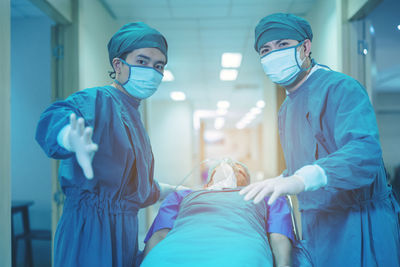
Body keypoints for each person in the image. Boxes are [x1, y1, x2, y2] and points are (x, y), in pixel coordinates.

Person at [239, 13, 400, 266]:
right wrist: (283, 179)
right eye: (265, 50)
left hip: (360, 225)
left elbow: (364, 154)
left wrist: (301, 179)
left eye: (282, 45)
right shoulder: (286, 109)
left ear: (305, 48)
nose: (273, 54)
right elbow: (305, 163)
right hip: (319, 229)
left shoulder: (341, 88)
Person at [35, 22, 182, 267]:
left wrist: (174, 190)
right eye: (142, 61)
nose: (152, 71)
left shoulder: (135, 117)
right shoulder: (97, 100)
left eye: (159, 66)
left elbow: (135, 188)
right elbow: (53, 118)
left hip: (124, 232)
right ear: (118, 65)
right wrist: (68, 138)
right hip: (87, 231)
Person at [141, 159, 294, 267]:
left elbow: (279, 236)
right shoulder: (182, 195)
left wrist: (284, 264)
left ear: (248, 184)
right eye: (219, 170)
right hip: (171, 254)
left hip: (240, 253)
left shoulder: (263, 195)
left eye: (239, 171)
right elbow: (160, 234)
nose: (231, 169)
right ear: (207, 183)